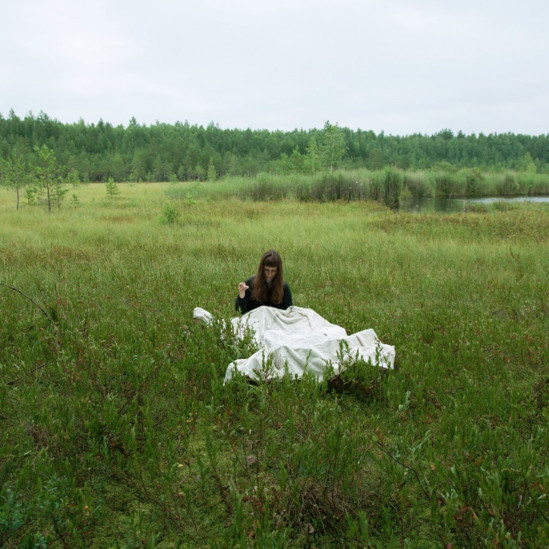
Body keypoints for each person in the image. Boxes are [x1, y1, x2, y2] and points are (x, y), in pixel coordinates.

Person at [235, 250, 293, 314]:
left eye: (273, 271)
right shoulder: (250, 283)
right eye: (267, 270)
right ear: (262, 269)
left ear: (278, 271)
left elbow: (289, 312)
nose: (269, 274)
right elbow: (240, 311)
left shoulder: (284, 287)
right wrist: (241, 296)